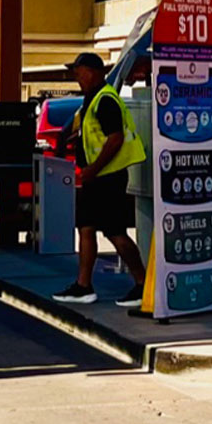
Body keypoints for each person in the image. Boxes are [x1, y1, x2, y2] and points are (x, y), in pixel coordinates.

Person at [52, 51, 148, 307]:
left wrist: (93, 168)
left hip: (107, 177)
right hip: (94, 178)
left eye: (79, 70)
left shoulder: (105, 100)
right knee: (85, 227)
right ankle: (83, 286)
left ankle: (143, 284)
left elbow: (114, 138)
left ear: (94, 72)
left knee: (115, 232)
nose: (76, 76)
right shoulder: (91, 99)